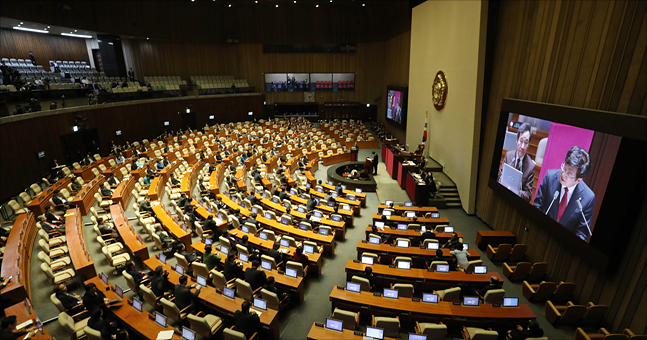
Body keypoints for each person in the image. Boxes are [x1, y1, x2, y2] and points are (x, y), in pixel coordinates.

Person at [533, 146, 595, 241]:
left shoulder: (588, 198)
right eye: (564, 167)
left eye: (569, 173)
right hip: (540, 235)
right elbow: (537, 208)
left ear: (578, 180)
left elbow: (582, 232)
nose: (563, 174)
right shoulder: (550, 177)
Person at [497, 123, 535, 202]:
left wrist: (516, 192)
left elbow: (528, 195)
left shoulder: (531, 167)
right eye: (521, 141)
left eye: (526, 142)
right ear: (517, 140)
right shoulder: (508, 155)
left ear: (529, 144)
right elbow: (499, 176)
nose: (522, 146)